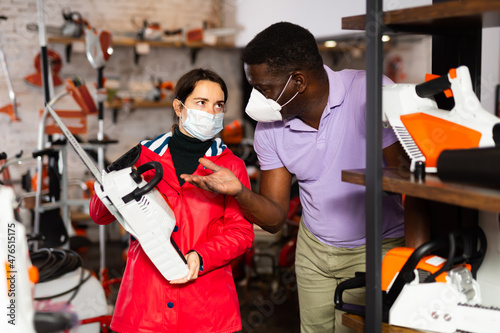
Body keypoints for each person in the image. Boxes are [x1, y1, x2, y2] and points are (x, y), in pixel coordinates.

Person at [180, 22, 411, 332]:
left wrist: (417, 264)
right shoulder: (270, 129)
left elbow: (412, 180)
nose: (256, 99)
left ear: (298, 82)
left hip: (375, 248)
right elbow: (274, 219)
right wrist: (240, 192)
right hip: (314, 249)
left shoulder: (369, 95)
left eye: (263, 89)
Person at [89, 68, 254, 333]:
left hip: (206, 307)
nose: (211, 112)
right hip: (145, 305)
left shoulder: (230, 166)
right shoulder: (142, 157)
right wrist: (112, 177)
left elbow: (241, 232)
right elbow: (99, 215)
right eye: (201, 103)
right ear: (179, 107)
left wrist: (202, 256)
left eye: (218, 105)